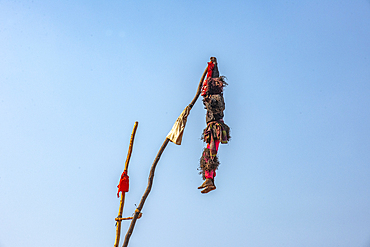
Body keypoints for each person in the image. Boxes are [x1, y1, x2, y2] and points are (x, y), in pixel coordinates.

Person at [198, 57, 230, 194]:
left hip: (216, 128)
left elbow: (216, 105)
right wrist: (213, 67)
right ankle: (209, 179)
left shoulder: (216, 97)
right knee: (207, 154)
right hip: (212, 127)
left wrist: (208, 99)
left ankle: (210, 180)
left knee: (211, 153)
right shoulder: (214, 96)